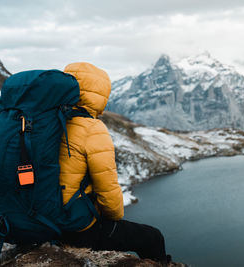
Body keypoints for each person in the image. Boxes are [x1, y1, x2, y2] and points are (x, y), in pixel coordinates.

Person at [59, 62, 169, 264]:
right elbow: (108, 193)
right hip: (74, 228)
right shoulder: (92, 129)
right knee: (152, 237)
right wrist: (113, 217)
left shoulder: (45, 122)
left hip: (41, 221)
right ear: (99, 94)